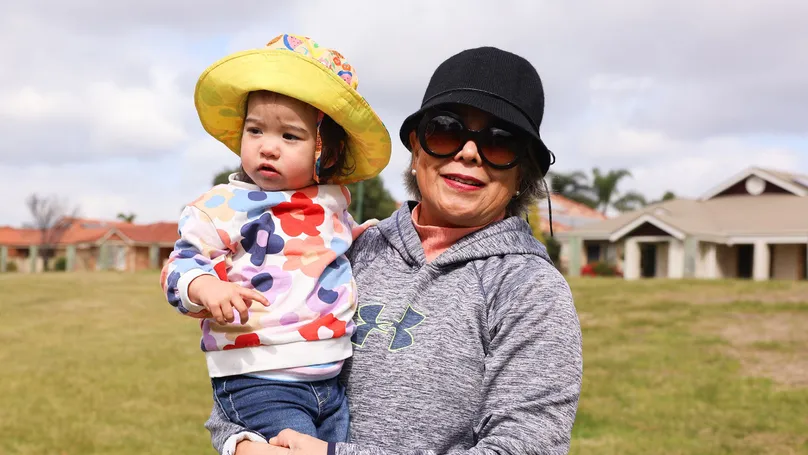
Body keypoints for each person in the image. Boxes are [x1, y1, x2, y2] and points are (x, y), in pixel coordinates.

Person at [206, 45, 583, 455]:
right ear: (416, 147)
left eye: (500, 142)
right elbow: (252, 376)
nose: (469, 152)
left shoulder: (531, 288)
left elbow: (528, 447)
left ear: (523, 172)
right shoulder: (346, 248)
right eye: (446, 129)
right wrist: (240, 445)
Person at [160, 34, 391, 444]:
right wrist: (204, 285)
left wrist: (361, 236)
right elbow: (179, 266)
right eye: (255, 130)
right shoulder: (223, 206)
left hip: (330, 382)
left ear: (328, 154)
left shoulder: (332, 202)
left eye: (289, 136)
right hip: (258, 378)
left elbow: (326, 250)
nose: (268, 147)